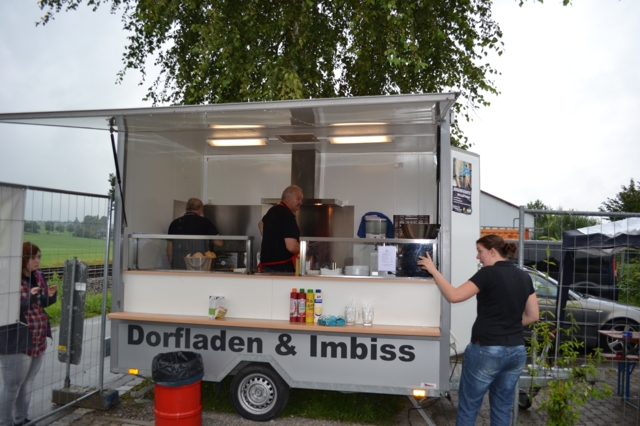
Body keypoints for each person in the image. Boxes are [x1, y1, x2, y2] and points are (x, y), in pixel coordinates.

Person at [418, 234, 539, 426]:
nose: (478, 257)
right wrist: (509, 324)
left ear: (492, 252)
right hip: (516, 351)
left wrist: (433, 270)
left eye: (480, 251)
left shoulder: (487, 274)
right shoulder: (524, 276)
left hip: (487, 349)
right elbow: (533, 315)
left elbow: (454, 296)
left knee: (469, 406)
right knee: (502, 406)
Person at [0, 242, 58, 426]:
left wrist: (49, 296)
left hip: (37, 339)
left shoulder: (37, 276)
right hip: (16, 341)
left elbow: (40, 304)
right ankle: (5, 422)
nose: (37, 261)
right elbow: (8, 309)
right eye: (32, 257)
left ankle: (21, 419)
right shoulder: (7, 279)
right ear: (22, 258)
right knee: (12, 385)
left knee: (28, 382)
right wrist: (30, 298)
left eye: (39, 257)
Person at [258, 185, 303, 272]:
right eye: (298, 199)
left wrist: (272, 239)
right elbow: (291, 247)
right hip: (281, 269)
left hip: (266, 267)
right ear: (288, 198)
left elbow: (260, 224)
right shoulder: (287, 216)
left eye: (301, 200)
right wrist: (304, 248)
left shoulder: (272, 210)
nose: (300, 202)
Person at [167, 198, 221, 269]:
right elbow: (219, 243)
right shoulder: (205, 222)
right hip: (199, 263)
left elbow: (169, 246)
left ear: (186, 209)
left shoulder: (174, 223)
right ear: (200, 209)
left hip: (179, 264)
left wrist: (171, 262)